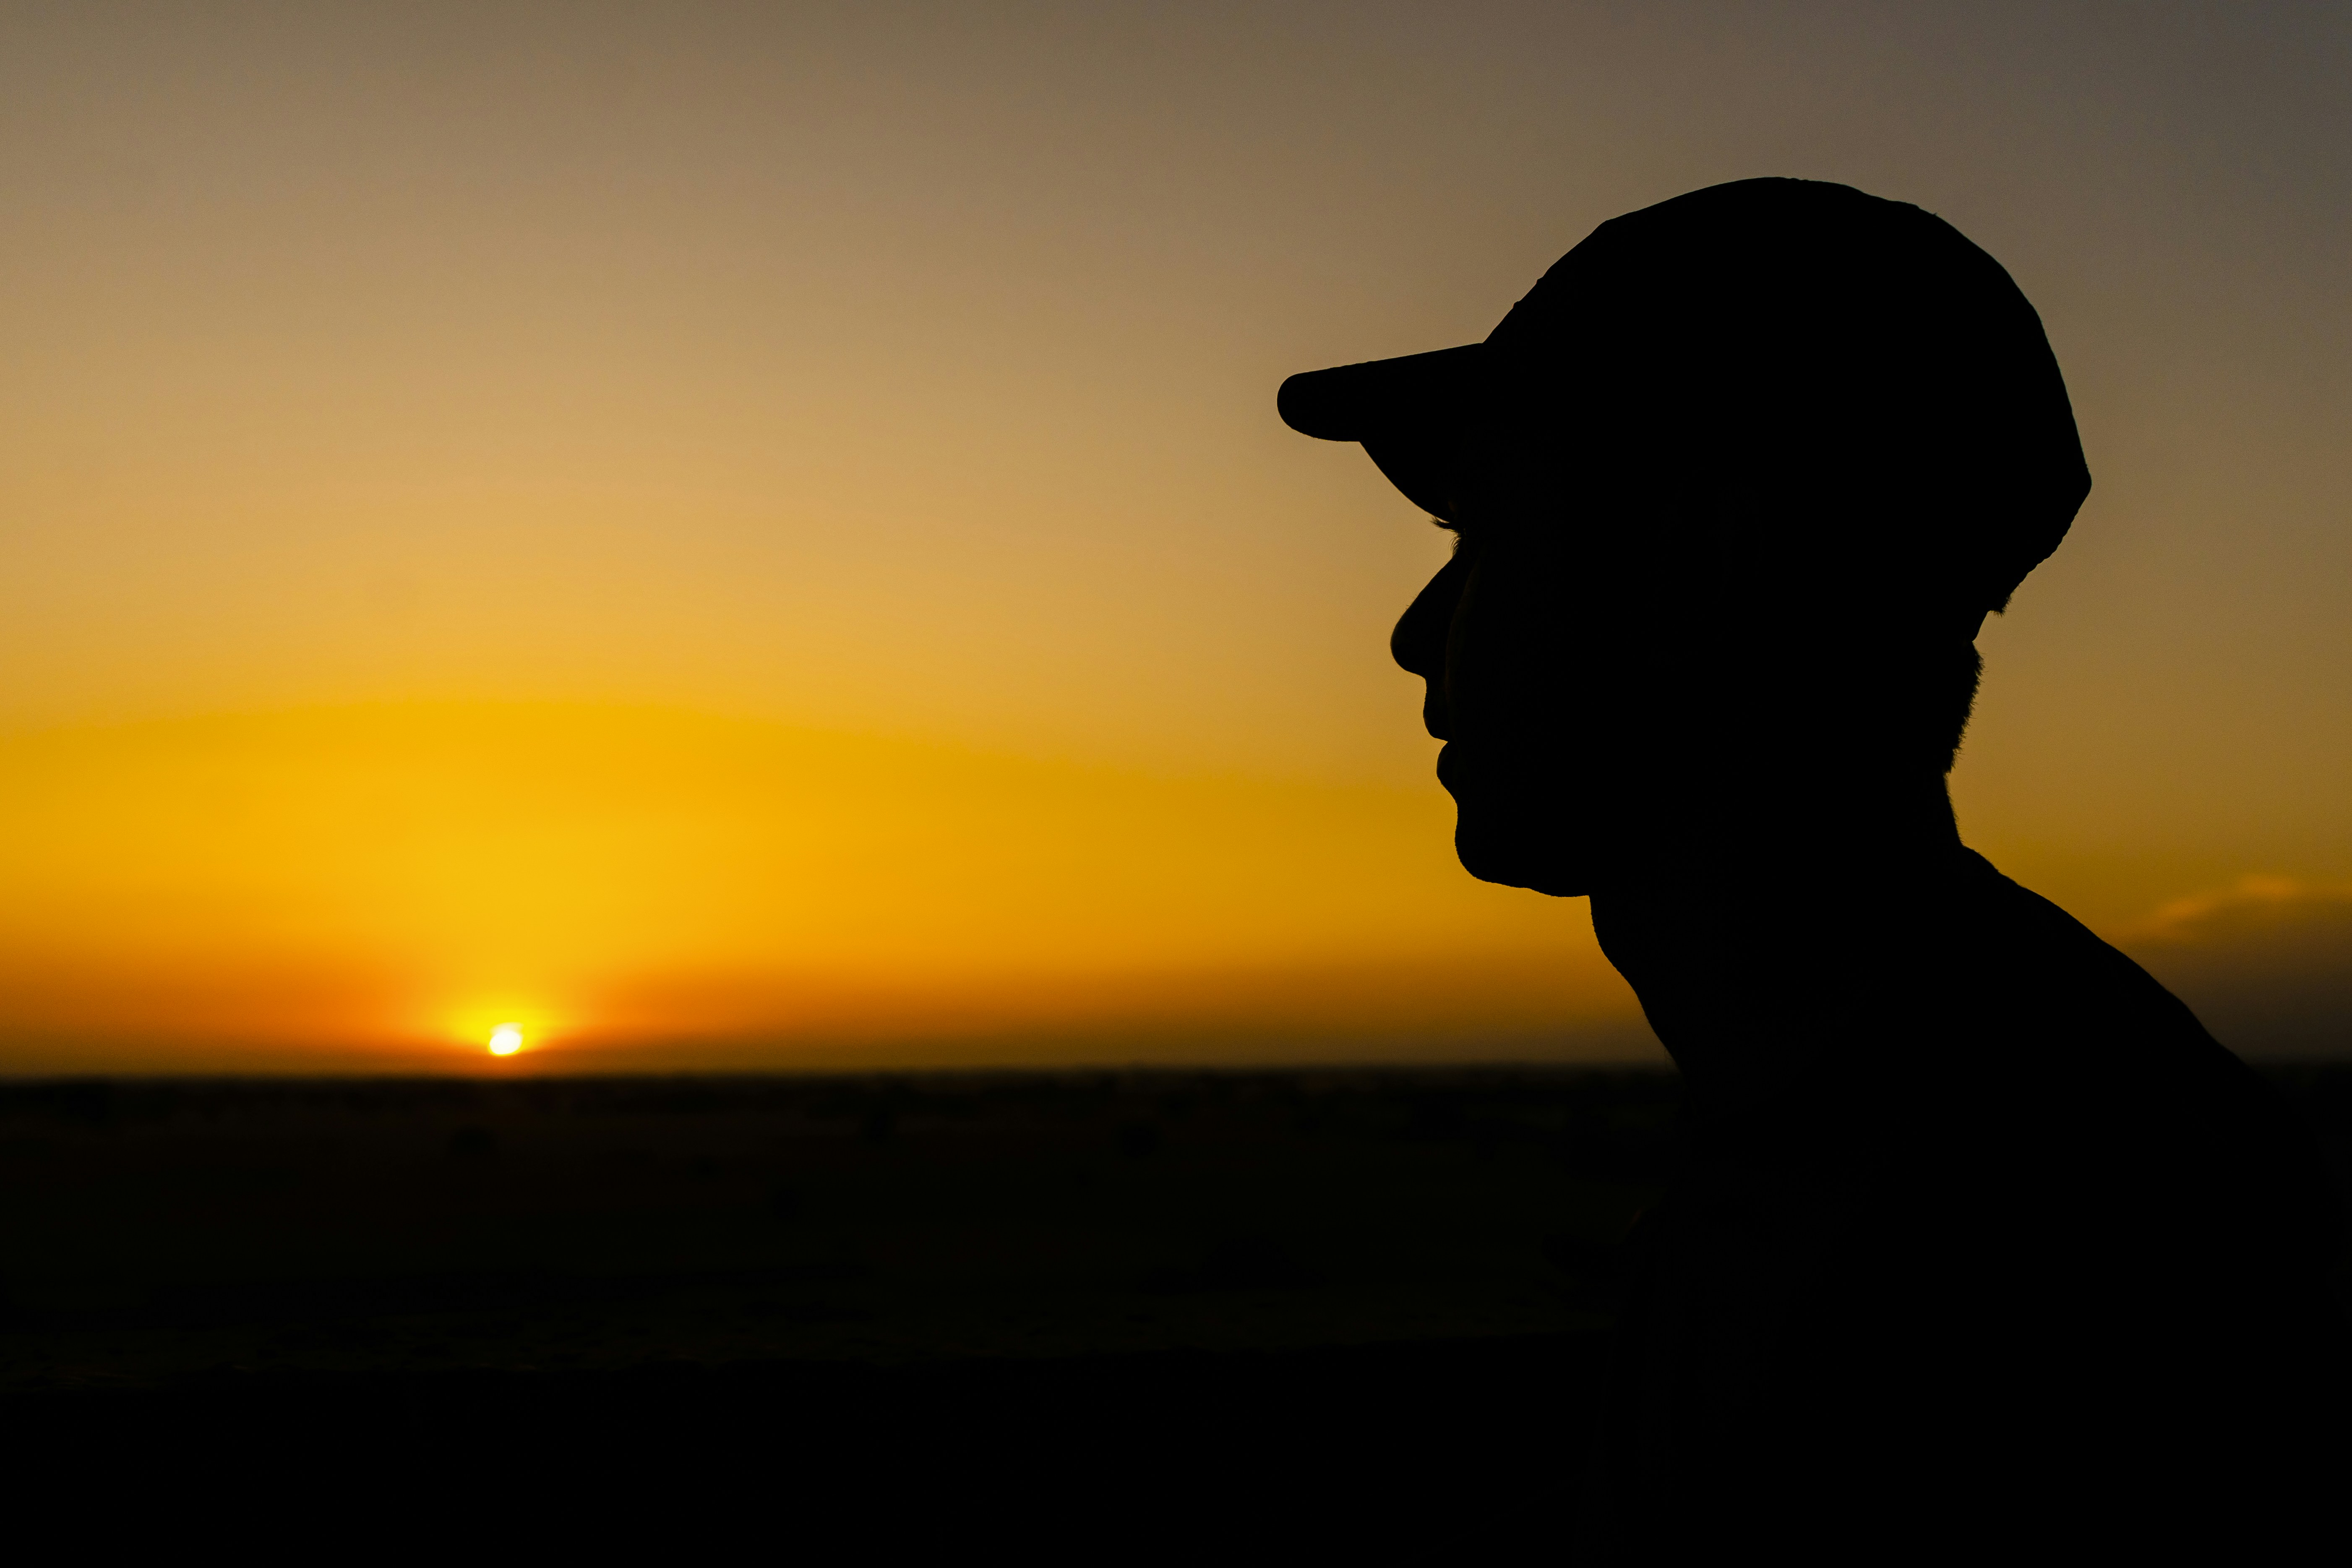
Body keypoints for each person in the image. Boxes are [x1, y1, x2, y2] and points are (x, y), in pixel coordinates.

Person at [1278, 179, 2344, 1553]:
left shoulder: (2034, 1226)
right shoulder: (1869, 1107)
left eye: (1481, 539)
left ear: (1699, 564)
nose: (1417, 637)